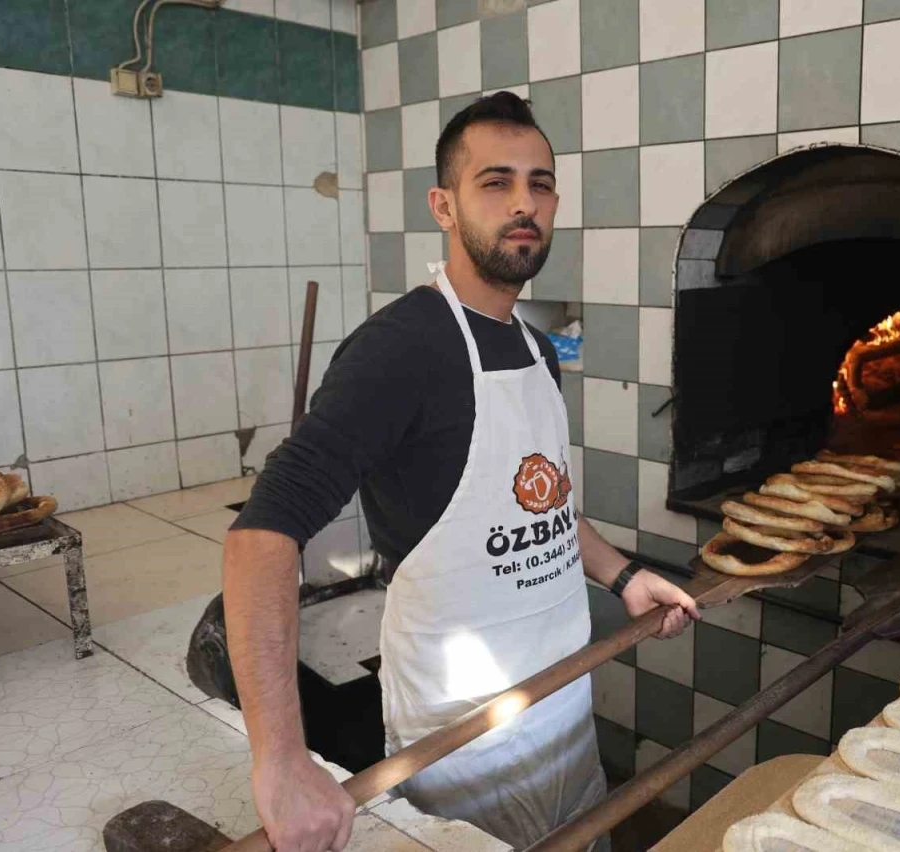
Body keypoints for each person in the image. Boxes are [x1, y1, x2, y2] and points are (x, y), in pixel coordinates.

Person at [223, 92, 701, 852]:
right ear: (443, 206)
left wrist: (623, 577)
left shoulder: (536, 349)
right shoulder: (401, 350)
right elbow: (261, 536)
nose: (524, 203)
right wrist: (280, 762)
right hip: (463, 744)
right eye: (495, 182)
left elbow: (541, 509)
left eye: (540, 184)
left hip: (562, 706)